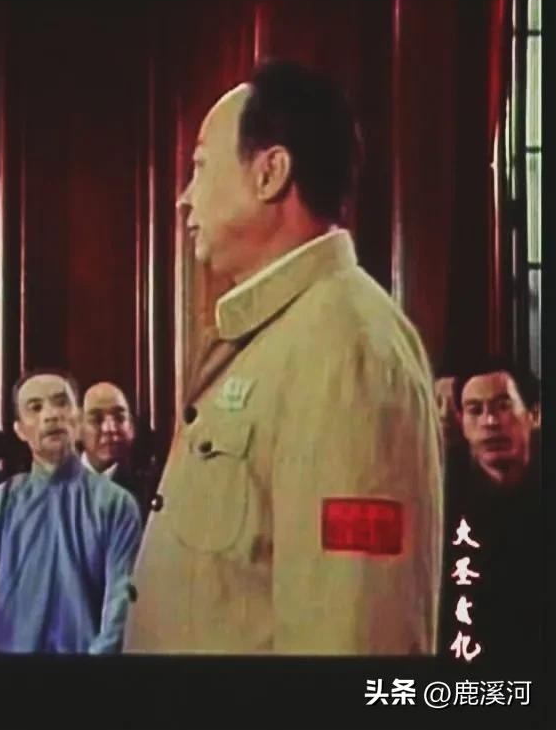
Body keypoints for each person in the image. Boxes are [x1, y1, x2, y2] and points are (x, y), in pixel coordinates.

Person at [124, 59, 443, 654]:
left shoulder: (348, 349)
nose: (184, 199)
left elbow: (353, 634)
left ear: (270, 173)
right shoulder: (278, 333)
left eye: (199, 167)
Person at [0, 370, 142, 653]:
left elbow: (121, 611)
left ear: (78, 417)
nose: (51, 415)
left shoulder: (116, 505)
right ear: (19, 429)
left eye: (61, 403)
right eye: (35, 407)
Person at [439, 358, 541, 666]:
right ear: (461, 423)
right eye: (475, 410)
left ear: (534, 414)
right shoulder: (444, 493)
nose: (490, 421)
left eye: (503, 406)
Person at [79, 381, 151, 515]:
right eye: (97, 419)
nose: (110, 429)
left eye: (119, 418)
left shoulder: (151, 487)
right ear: (77, 428)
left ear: (132, 427)